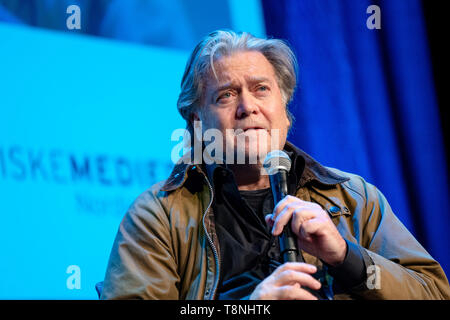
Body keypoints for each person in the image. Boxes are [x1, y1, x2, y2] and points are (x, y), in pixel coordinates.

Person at [100, 30, 450, 300]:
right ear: (196, 122)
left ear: (284, 110)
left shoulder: (354, 198)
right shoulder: (158, 215)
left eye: (261, 89)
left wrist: (346, 256)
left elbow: (433, 291)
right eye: (226, 95)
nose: (247, 107)